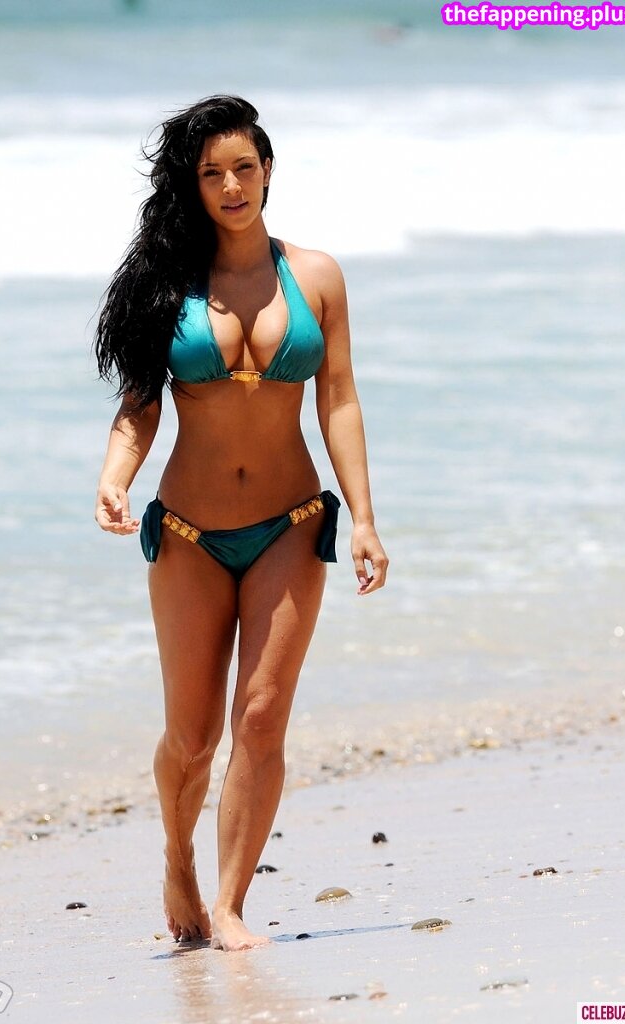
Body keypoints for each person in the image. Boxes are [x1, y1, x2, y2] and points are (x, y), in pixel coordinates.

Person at [92, 95, 388, 952]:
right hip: (188, 532)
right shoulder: (166, 286)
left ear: (267, 171)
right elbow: (139, 407)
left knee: (260, 718)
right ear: (191, 185)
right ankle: (176, 857)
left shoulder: (316, 276)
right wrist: (114, 478)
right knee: (191, 737)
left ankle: (229, 904)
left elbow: (338, 398)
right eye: (212, 173)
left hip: (290, 524)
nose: (230, 186)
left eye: (243, 168)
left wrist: (363, 518)